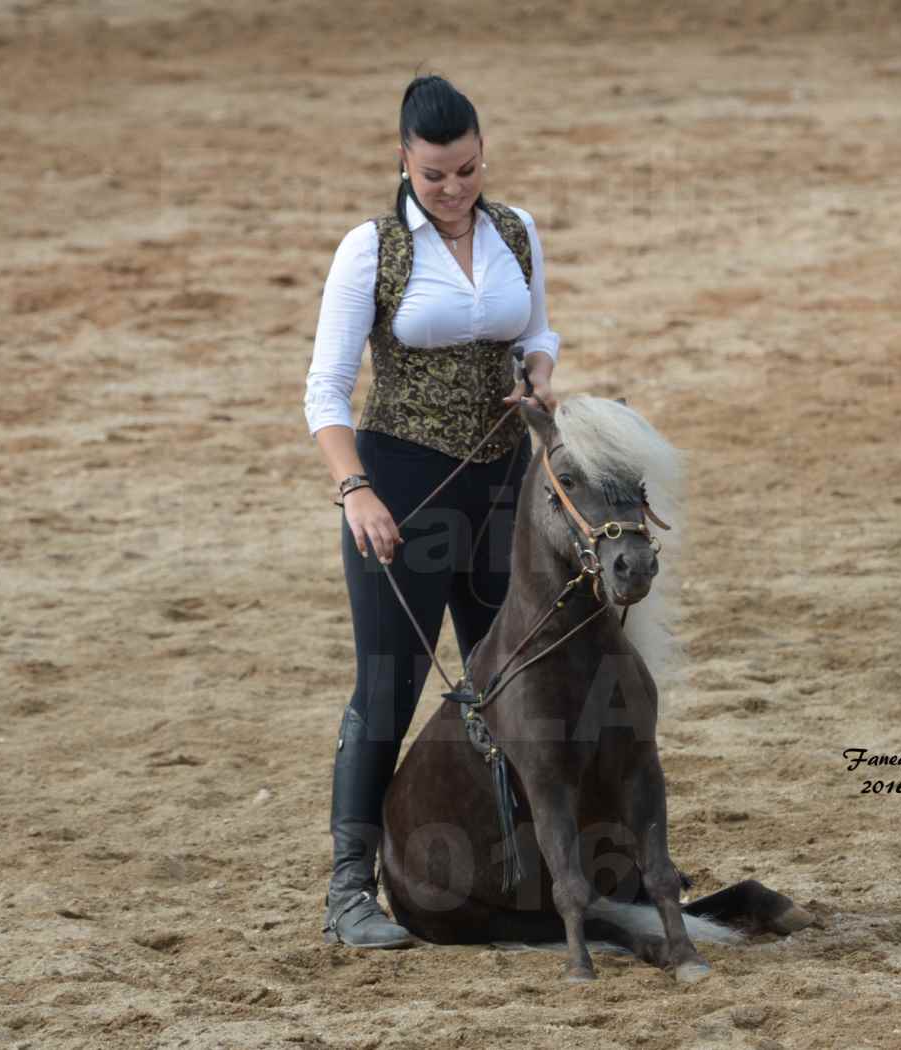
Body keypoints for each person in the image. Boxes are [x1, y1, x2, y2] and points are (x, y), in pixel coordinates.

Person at [303, 74, 561, 949]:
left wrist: (537, 378)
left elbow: (537, 336)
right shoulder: (370, 250)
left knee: (520, 678)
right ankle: (348, 892)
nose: (453, 191)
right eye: (433, 177)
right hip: (402, 490)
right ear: (403, 163)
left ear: (483, 155)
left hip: (502, 486)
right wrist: (356, 490)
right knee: (389, 687)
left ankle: (544, 861)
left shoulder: (516, 231)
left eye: (467, 171)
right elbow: (326, 392)